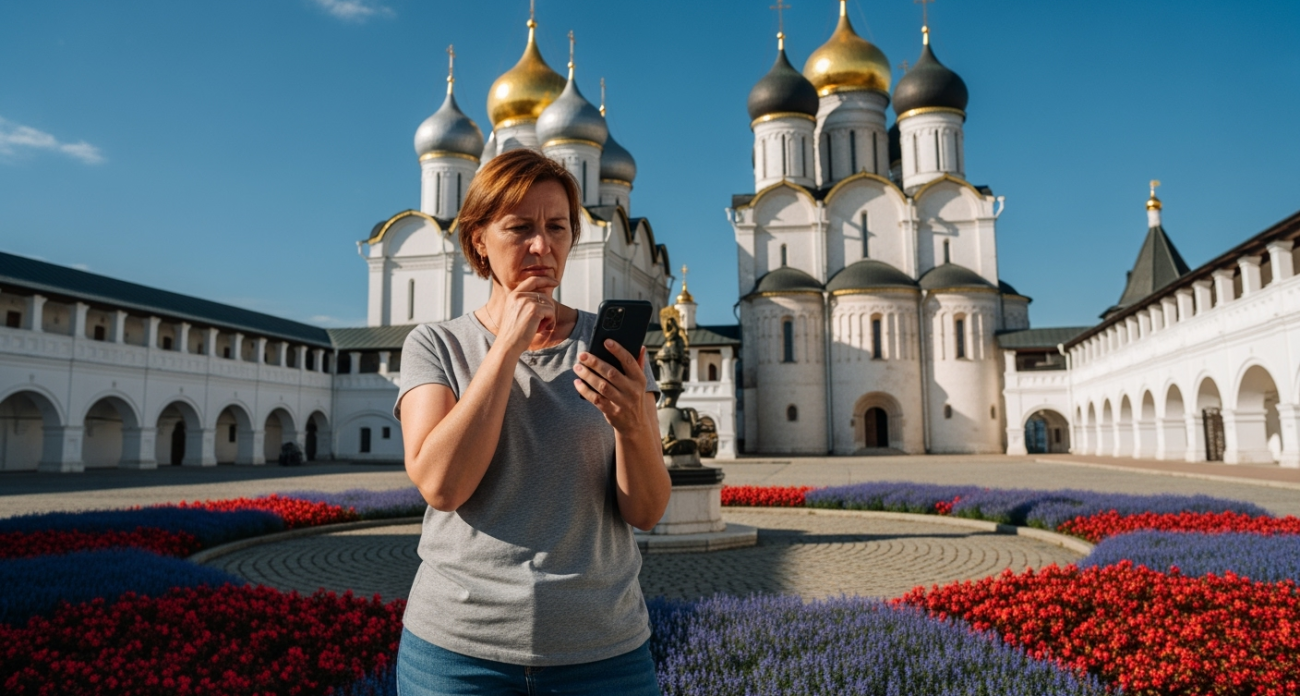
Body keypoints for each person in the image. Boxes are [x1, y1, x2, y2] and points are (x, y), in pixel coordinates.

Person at [394, 147, 671, 695]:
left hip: (603, 653)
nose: (542, 246)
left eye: (558, 228)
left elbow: (645, 510)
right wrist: (506, 347)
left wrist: (632, 426)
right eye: (520, 227)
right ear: (479, 239)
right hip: (458, 656)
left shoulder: (611, 347)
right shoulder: (437, 345)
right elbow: (442, 486)